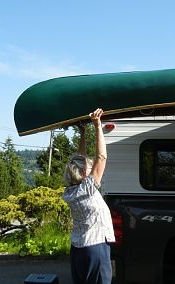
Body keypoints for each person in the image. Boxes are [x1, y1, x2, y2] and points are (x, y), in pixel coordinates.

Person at [62, 108, 115, 284]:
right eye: (89, 167)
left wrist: (83, 132)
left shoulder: (70, 191)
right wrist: (97, 126)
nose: (92, 168)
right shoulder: (87, 188)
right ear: (85, 172)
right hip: (95, 248)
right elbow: (102, 157)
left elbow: (79, 158)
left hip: (78, 250)